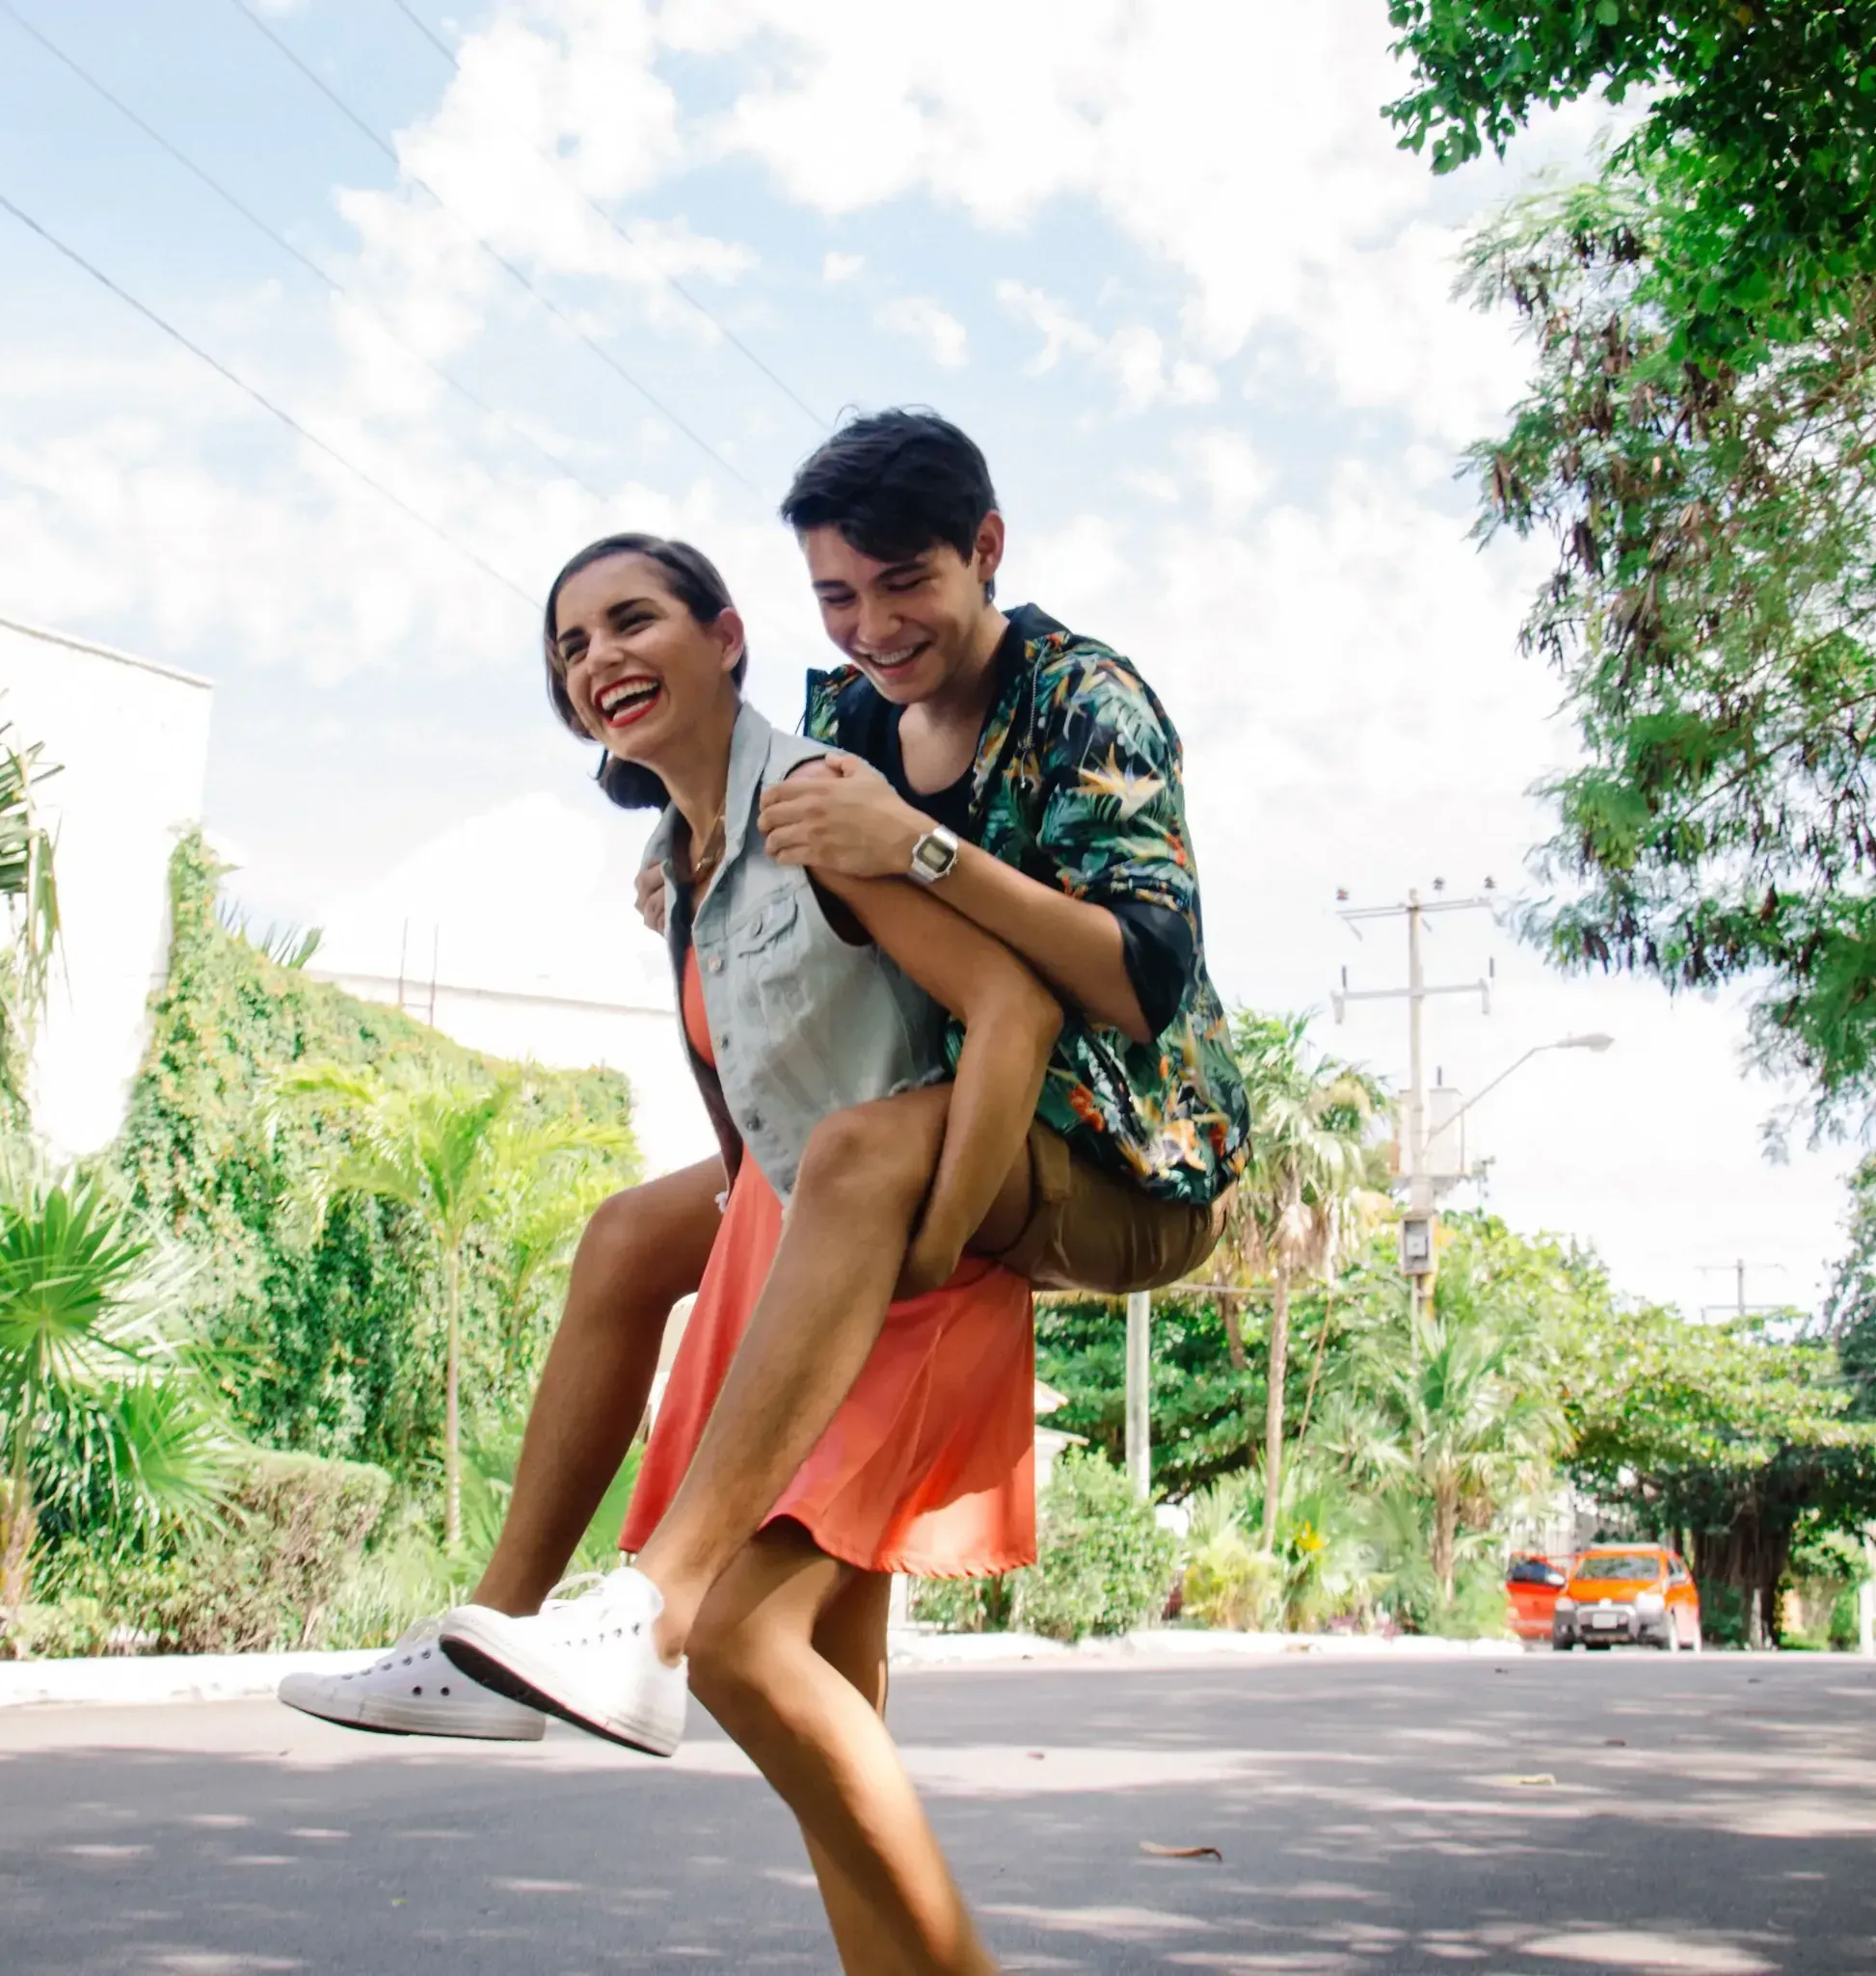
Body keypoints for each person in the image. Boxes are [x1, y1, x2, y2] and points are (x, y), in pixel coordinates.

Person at [281, 410, 1246, 1740]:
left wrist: (919, 848)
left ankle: (654, 1603)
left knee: (852, 1158)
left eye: (906, 583)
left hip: (1120, 1144)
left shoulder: (1086, 700)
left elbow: (1138, 978)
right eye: (839, 597)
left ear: (986, 550)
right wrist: (699, 865)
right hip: (930, 1093)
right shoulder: (849, 710)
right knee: (628, 1237)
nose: (873, 628)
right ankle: (489, 1634)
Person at [523, 532, 1047, 1971]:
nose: (600, 659)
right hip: (808, 1267)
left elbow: (1004, 1004)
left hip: (904, 1265)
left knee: (748, 1645)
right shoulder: (686, 869)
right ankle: (500, 1628)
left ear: (728, 634)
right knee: (835, 1698)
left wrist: (937, 1236)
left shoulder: (819, 801)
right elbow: (752, 1114)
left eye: (632, 621)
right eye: (571, 646)